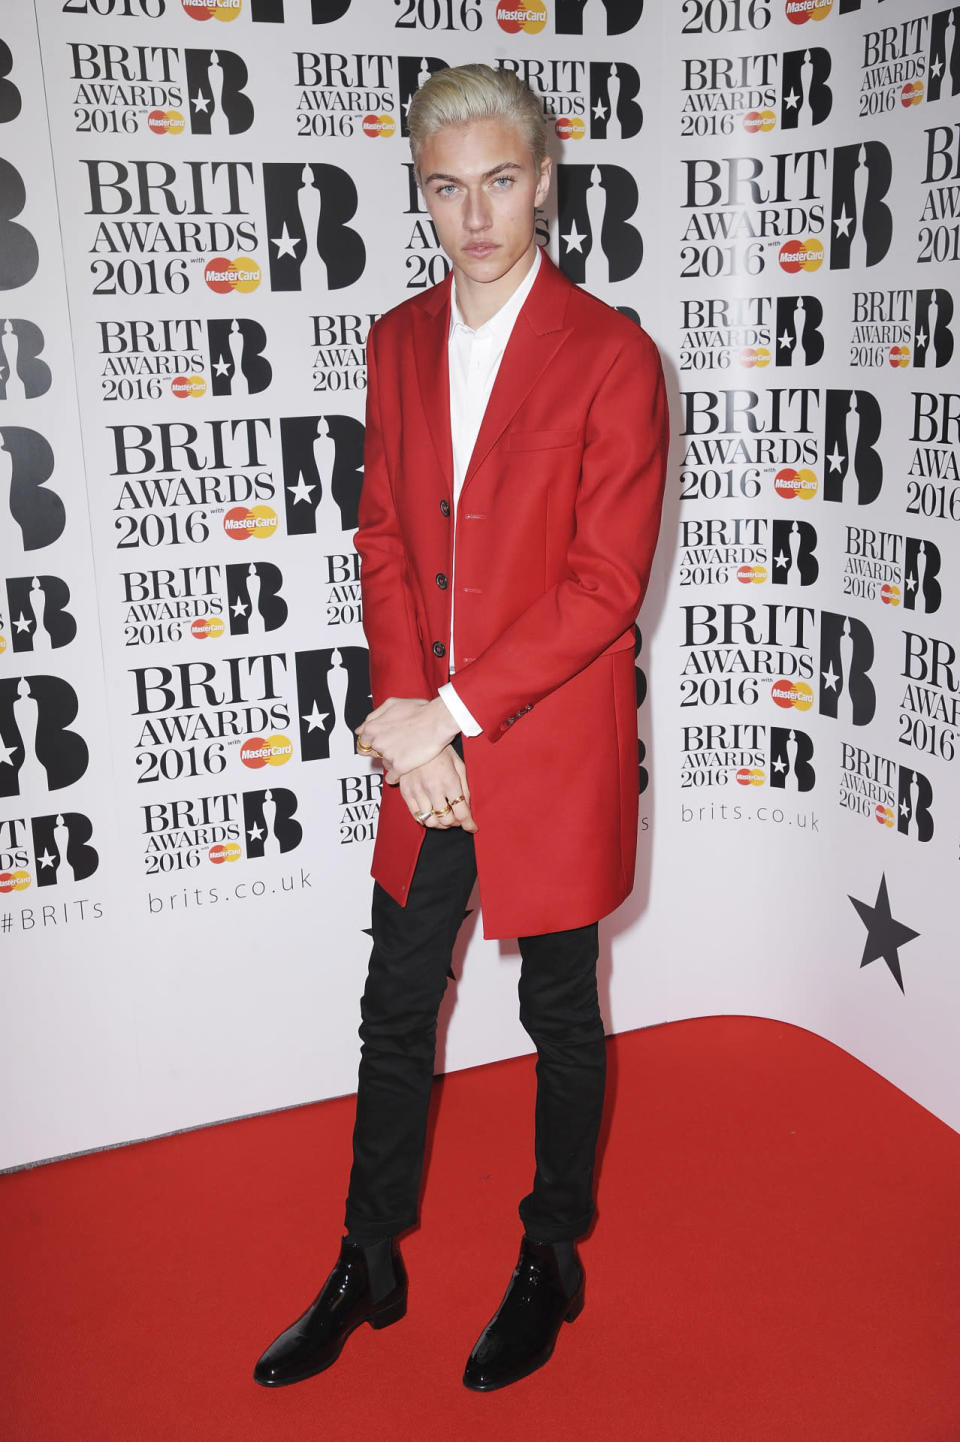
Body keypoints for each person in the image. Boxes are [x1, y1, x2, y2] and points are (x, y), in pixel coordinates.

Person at [254, 62, 668, 1394]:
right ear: (421, 195)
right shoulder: (393, 340)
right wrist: (409, 726)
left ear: (544, 180)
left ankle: (554, 1251)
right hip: (425, 753)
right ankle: (368, 1257)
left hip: (547, 743)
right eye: (448, 187)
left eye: (501, 180)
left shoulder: (611, 353)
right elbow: (382, 537)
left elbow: (605, 588)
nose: (476, 212)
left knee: (560, 1007)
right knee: (393, 1000)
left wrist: (458, 709)